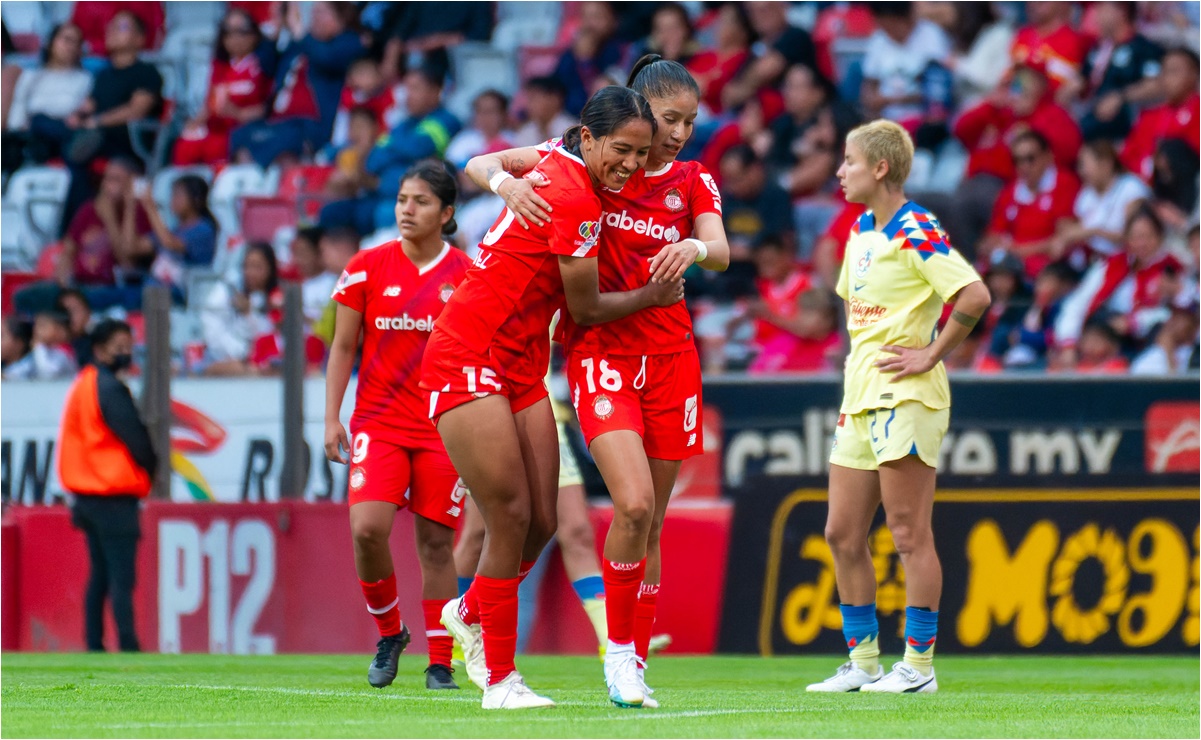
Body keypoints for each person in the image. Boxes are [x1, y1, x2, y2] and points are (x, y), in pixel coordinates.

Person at [468, 56, 732, 708]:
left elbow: (720, 249)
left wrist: (694, 249)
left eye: (689, 121)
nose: (678, 133)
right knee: (633, 504)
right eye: (668, 119)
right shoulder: (594, 163)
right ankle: (616, 655)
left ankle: (633, 663)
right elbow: (484, 162)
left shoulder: (692, 180)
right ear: (638, 113)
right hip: (600, 355)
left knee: (654, 521)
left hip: (672, 359)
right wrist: (505, 187)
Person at [426, 86, 678, 710]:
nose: (631, 165)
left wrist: (499, 181)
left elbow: (483, 162)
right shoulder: (574, 197)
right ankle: (500, 680)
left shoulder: (555, 154)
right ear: (588, 138)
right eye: (622, 150)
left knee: (542, 519)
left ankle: (470, 609)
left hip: (520, 363)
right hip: (470, 352)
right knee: (510, 514)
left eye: (642, 154)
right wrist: (653, 295)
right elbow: (587, 308)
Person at [806, 120, 989, 694]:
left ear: (880, 168)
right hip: (859, 394)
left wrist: (931, 353)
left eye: (849, 161)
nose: (840, 172)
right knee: (841, 532)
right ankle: (863, 664)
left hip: (907, 395)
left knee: (909, 533)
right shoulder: (861, 229)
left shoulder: (917, 228)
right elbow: (859, 318)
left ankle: (919, 668)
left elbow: (974, 294)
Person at [324, 161, 472, 690]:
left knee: (436, 544)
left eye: (421, 201)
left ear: (446, 212)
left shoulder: (466, 276)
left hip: (441, 428)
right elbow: (343, 347)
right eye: (403, 199)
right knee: (368, 529)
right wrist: (330, 418)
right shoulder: (365, 267)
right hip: (379, 423)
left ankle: (440, 662)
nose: (407, 209)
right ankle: (390, 632)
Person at [57, 319, 158, 652]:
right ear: (100, 349)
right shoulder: (111, 388)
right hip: (113, 495)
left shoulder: (83, 385)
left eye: (129, 345)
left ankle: (94, 644)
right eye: (119, 346)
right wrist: (151, 468)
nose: (126, 352)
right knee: (121, 577)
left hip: (86, 496)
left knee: (99, 575)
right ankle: (128, 643)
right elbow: (137, 439)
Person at [173, 8, 271, 167]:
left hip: (243, 129)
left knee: (218, 147)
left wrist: (237, 113)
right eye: (228, 32)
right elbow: (210, 104)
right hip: (216, 128)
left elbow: (266, 107)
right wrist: (194, 122)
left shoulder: (263, 64)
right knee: (186, 142)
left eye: (241, 31)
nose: (234, 38)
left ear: (254, 35)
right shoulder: (220, 66)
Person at [978, 130, 1081, 280]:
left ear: (1047, 156)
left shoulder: (1064, 184)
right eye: (1017, 160)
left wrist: (1018, 250)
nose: (1024, 166)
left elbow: (1062, 240)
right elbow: (995, 234)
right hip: (1011, 265)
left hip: (1050, 267)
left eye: (1030, 159)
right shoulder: (1009, 192)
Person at [4, 23, 91, 173]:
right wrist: (18, 127)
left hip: (62, 130)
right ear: (51, 43)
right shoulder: (32, 76)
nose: (71, 46)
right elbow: (19, 105)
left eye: (76, 43)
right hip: (31, 131)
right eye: (67, 40)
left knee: (42, 122)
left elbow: (73, 109)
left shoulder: (84, 79)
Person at [1078, 1, 1164, 141]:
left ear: (1121, 10)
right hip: (1090, 115)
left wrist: (1121, 97)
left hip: (1123, 125)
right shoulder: (1098, 48)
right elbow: (1083, 78)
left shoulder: (1144, 48)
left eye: (1102, 8)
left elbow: (1157, 84)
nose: (1096, 14)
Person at [140, 174, 218, 299]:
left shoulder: (204, 229)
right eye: (172, 195)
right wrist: (129, 206)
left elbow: (169, 243)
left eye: (178, 195)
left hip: (180, 293)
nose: (173, 200)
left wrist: (150, 207)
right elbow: (133, 248)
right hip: (151, 288)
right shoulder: (174, 229)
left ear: (196, 199)